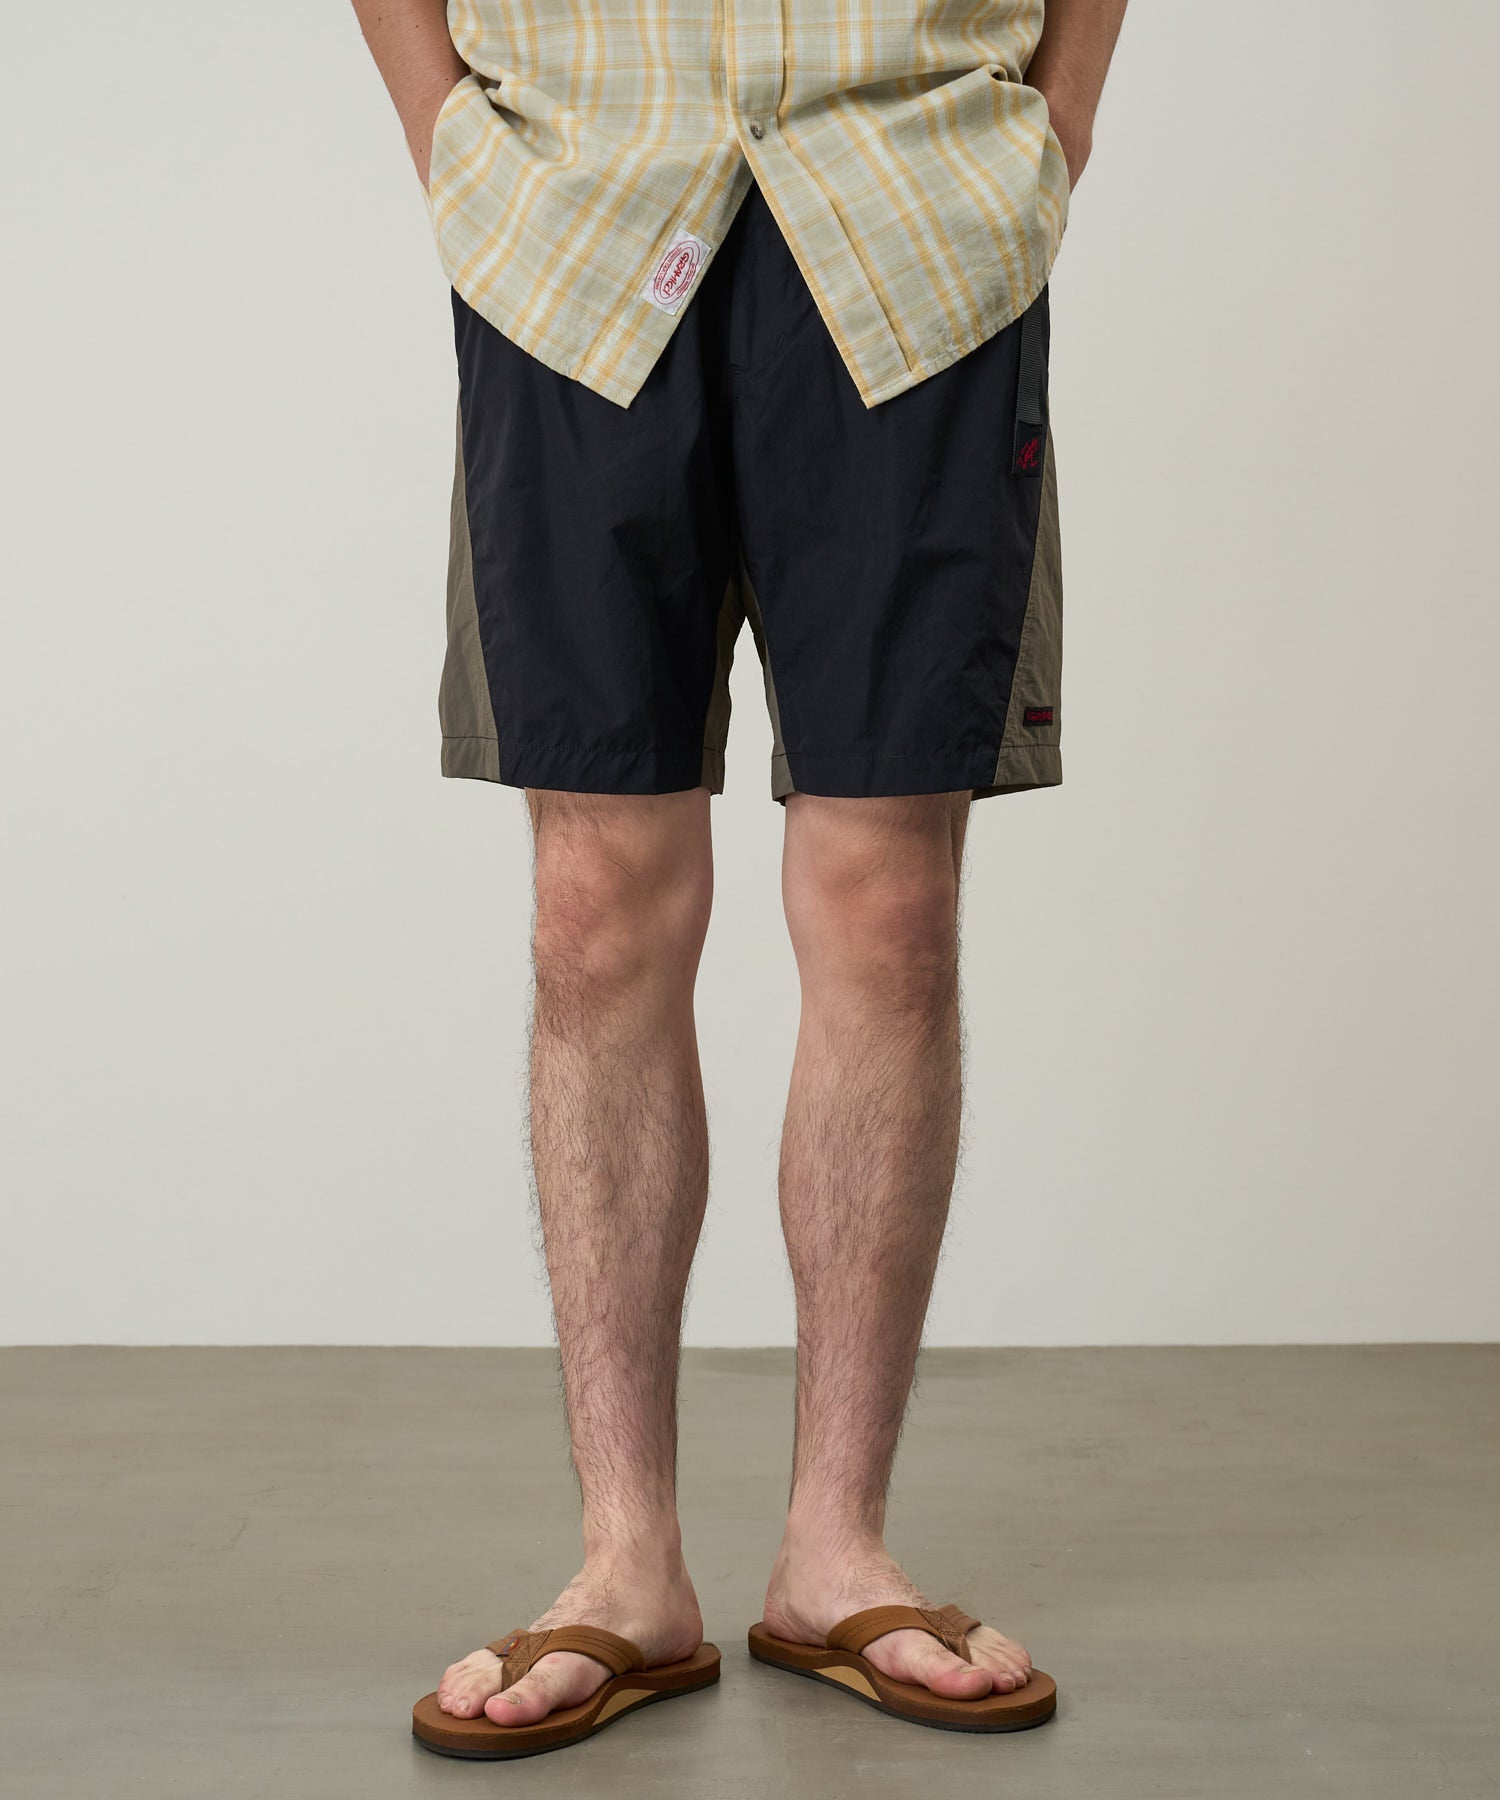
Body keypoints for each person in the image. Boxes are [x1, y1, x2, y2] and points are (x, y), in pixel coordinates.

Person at [352, 0, 1127, 1760]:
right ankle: (625, 1562)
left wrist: (1058, 118)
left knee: (890, 908)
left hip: (917, 204)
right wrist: (445, 129)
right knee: (593, 911)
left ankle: (835, 1549)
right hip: (573, 205)